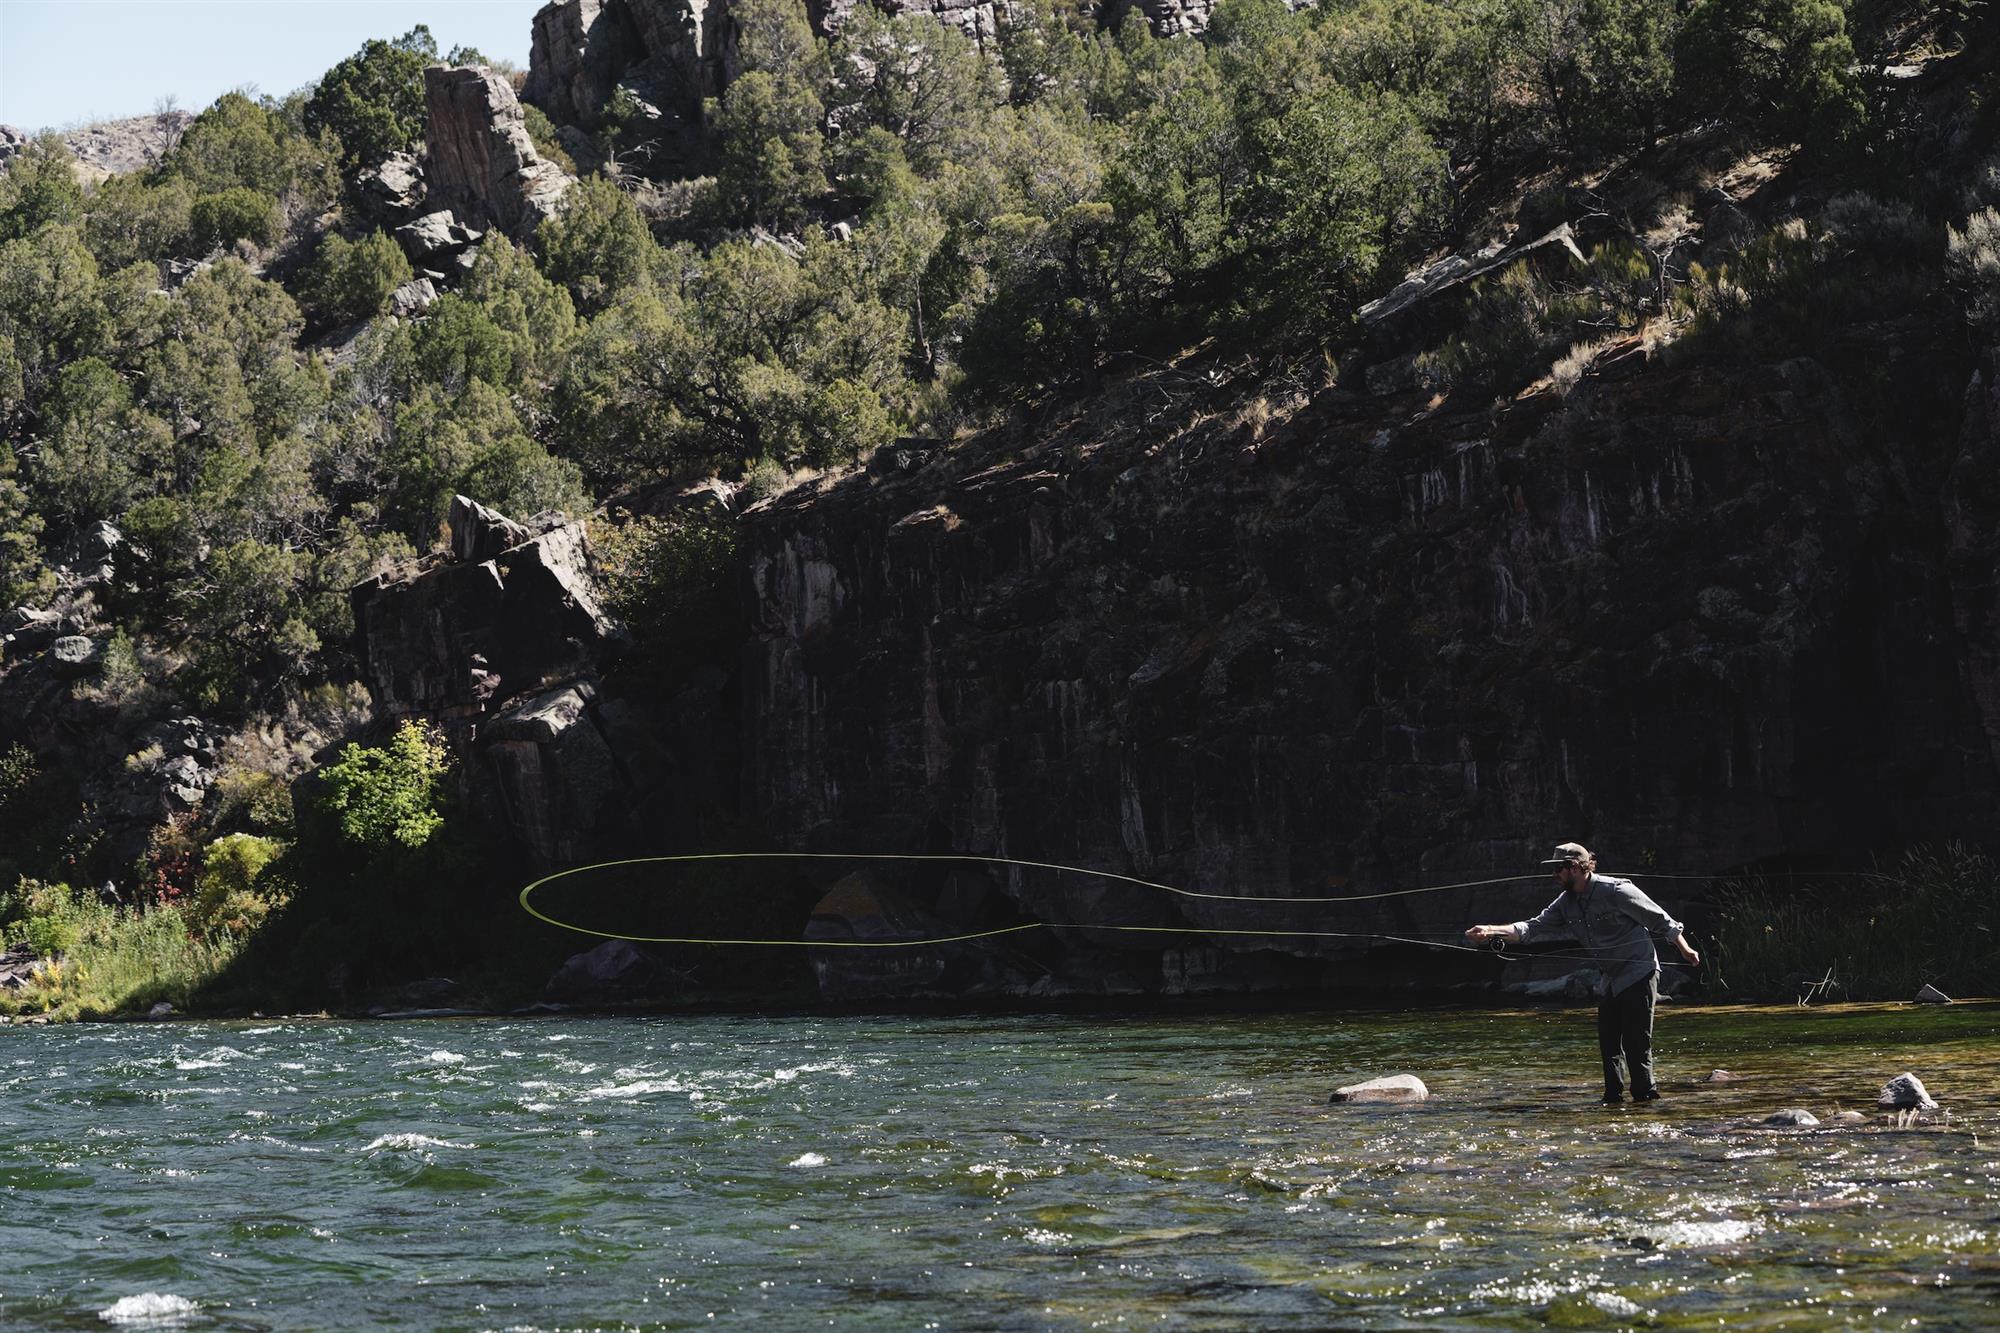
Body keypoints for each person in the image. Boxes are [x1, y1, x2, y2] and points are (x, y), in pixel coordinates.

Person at [1464, 842, 1700, 1105]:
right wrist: (1489, 930)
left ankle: (1645, 1099)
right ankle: (1613, 1101)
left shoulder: (1616, 890)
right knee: (1609, 1045)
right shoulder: (1566, 903)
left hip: (1639, 971)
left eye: (1557, 870)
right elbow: (1532, 928)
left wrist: (1685, 950)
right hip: (1610, 979)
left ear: (1575, 867)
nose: (1554, 875)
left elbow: (1660, 919)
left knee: (1636, 1043)